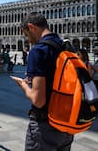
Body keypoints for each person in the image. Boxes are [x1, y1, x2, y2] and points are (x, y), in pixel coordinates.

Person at [12, 12, 74, 151]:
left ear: (31, 27)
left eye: (26, 35)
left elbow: (38, 100)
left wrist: (23, 85)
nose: (29, 40)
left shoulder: (39, 51)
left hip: (46, 125)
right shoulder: (65, 46)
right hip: (67, 122)